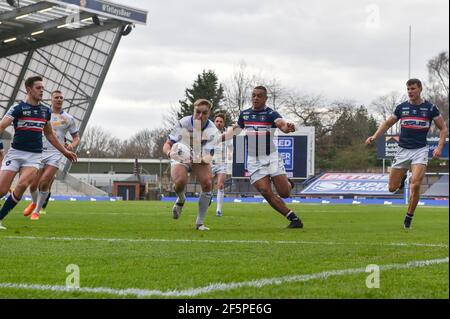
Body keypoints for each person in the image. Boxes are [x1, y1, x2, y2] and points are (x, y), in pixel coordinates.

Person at [365, 78, 447, 229]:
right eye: (408, 89)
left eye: (413, 89)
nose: (410, 92)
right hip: (402, 150)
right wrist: (375, 136)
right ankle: (402, 177)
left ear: (420, 89)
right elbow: (388, 123)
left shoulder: (430, 108)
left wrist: (439, 147)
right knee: (391, 188)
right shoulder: (401, 108)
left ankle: (409, 217)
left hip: (420, 150)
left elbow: (443, 128)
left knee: (415, 184)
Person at [0, 76, 77, 230]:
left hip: (34, 156)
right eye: (38, 88)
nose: (42, 90)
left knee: (22, 185)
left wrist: (65, 152)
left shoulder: (45, 111)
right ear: (29, 90)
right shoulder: (17, 108)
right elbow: (2, 126)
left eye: (43, 88)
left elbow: (50, 135)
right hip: (15, 153)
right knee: (1, 190)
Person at [222, 86, 303, 229]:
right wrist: (216, 139)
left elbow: (282, 125)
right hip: (254, 160)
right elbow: (235, 131)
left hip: (271, 157)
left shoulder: (271, 114)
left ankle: (288, 184)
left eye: (259, 96)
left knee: (284, 193)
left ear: (265, 98)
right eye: (253, 95)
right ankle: (293, 218)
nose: (255, 98)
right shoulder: (245, 114)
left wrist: (288, 128)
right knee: (265, 191)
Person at [162, 99, 221, 230]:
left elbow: (208, 157)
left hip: (199, 157)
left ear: (209, 113)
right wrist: (169, 153)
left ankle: (199, 223)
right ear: (193, 111)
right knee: (180, 182)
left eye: (204, 113)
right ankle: (181, 199)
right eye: (197, 112)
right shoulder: (183, 123)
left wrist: (196, 158)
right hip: (180, 154)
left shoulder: (213, 131)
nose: (200, 116)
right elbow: (167, 144)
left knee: (207, 183)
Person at [23, 90, 80, 220]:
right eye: (56, 97)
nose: (59, 99)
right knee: (33, 185)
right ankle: (33, 202)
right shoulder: (43, 113)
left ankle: (36, 211)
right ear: (51, 100)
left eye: (61, 97)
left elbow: (76, 137)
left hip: (56, 153)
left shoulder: (68, 118)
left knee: (44, 182)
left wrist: (71, 145)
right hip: (39, 151)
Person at [211, 113, 231, 217]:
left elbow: (231, 147)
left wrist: (231, 154)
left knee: (221, 185)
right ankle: (208, 197)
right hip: (209, 163)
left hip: (222, 163)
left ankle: (218, 209)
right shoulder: (208, 133)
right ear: (214, 122)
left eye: (221, 121)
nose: (218, 123)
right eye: (217, 121)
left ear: (223, 123)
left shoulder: (227, 136)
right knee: (207, 185)